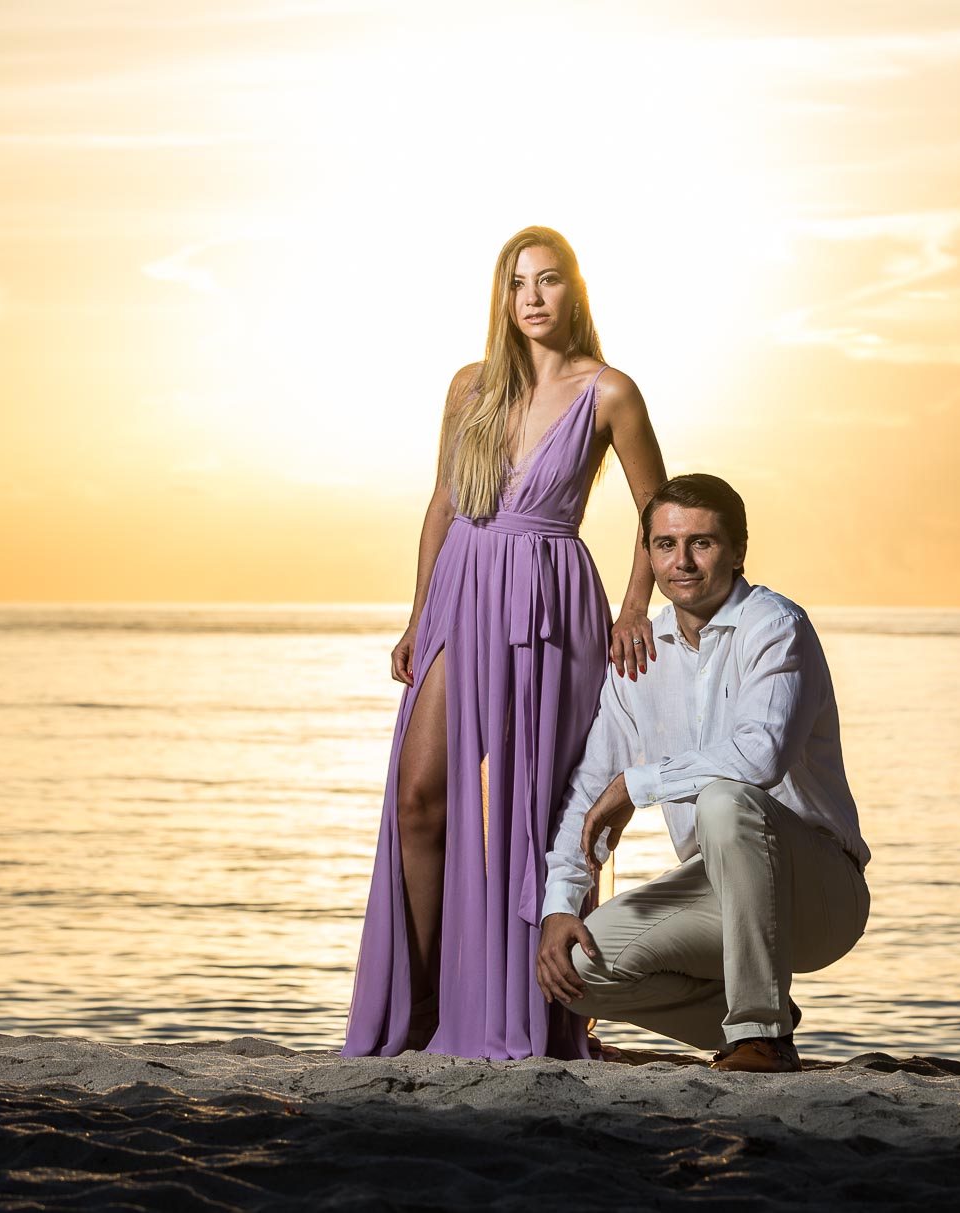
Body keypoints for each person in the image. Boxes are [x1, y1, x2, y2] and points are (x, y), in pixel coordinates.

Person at [342, 226, 668, 1060]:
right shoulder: (470, 387)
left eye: (548, 280)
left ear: (574, 291)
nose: (531, 296)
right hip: (464, 588)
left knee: (545, 815)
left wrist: (636, 608)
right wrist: (419, 615)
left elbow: (656, 513)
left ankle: (555, 1006)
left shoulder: (610, 392)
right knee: (419, 796)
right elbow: (443, 505)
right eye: (517, 282)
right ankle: (419, 1007)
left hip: (551, 604)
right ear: (503, 296)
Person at [534, 473, 872, 1073]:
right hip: (717, 890)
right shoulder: (641, 650)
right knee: (579, 971)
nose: (682, 562)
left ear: (739, 550)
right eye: (665, 544)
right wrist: (561, 900)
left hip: (819, 893)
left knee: (724, 802)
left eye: (702, 543)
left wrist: (637, 785)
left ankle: (760, 1037)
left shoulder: (776, 626)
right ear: (649, 553)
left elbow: (759, 756)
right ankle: (761, 1016)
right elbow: (592, 786)